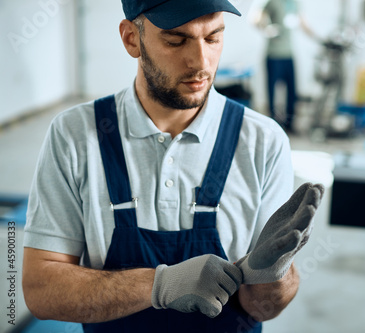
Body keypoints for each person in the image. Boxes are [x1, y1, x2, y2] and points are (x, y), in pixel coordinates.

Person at [22, 0, 324, 332]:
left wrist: (272, 275)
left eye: (213, 38)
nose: (201, 62)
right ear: (131, 39)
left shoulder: (263, 142)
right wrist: (160, 285)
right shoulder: (76, 136)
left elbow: (264, 309)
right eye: (176, 40)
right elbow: (41, 291)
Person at [255, 0, 317, 132]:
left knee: (292, 92)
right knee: (272, 93)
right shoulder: (270, 2)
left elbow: (303, 23)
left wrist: (319, 39)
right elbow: (256, 19)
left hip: (288, 55)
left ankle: (290, 124)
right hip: (273, 55)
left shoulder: (294, 3)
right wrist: (267, 29)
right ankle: (272, 124)